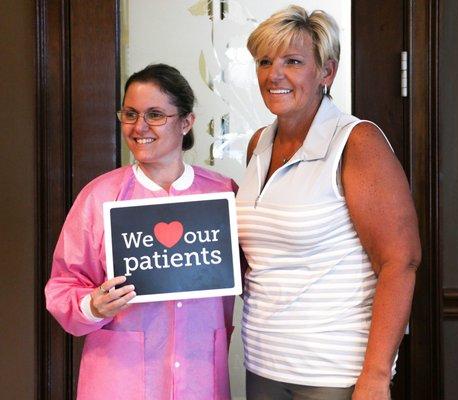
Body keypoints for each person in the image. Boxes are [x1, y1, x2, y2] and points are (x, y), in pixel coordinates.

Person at [236, 6, 421, 400]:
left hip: (334, 372)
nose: (274, 75)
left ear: (327, 72)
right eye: (265, 61)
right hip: (262, 363)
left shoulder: (356, 142)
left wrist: (375, 375)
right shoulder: (258, 143)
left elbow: (400, 262)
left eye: (293, 61)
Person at [45, 64, 236, 400]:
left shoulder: (222, 195)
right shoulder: (100, 197)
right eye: (130, 114)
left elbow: (259, 273)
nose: (139, 127)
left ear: (186, 122)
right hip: (120, 380)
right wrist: (94, 306)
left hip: (199, 377)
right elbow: (62, 287)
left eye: (156, 115)